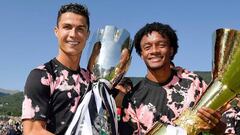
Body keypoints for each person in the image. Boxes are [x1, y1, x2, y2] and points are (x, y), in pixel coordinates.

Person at [120, 22, 223, 135]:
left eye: (161, 45)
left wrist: (218, 128)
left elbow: (221, 126)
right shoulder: (133, 99)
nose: (154, 51)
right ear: (141, 54)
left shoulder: (194, 82)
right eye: (147, 47)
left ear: (171, 50)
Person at [21, 3, 93, 135]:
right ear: (56, 31)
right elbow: (32, 131)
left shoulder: (92, 79)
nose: (73, 34)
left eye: (80, 29)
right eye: (67, 27)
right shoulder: (42, 76)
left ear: (87, 34)